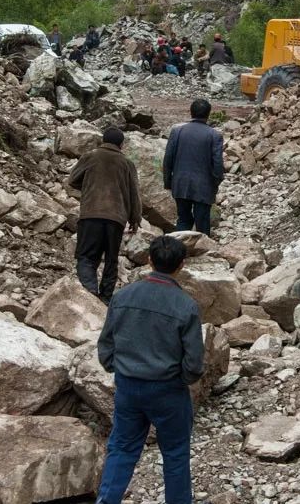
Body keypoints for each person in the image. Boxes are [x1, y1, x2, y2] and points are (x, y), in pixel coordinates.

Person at [96, 235, 203, 504]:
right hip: (168, 389)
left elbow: (106, 343)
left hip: (128, 385)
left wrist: (117, 367)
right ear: (181, 264)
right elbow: (194, 361)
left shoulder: (123, 296)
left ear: (149, 260)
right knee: (175, 453)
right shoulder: (186, 305)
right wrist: (181, 379)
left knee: (122, 448)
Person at [68, 128, 142, 303]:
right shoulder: (127, 163)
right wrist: (135, 218)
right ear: (121, 144)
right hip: (116, 218)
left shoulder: (90, 156)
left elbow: (72, 180)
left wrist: (88, 187)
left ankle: (90, 289)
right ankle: (106, 298)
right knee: (111, 259)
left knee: (86, 256)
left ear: (103, 140)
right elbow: (134, 193)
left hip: (90, 214)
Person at [163, 99, 223, 236]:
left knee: (183, 219)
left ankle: (179, 246)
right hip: (204, 187)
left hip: (180, 184)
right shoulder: (214, 135)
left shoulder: (177, 132)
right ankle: (203, 248)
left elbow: (168, 159)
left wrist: (168, 182)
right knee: (202, 224)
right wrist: (216, 182)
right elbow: (218, 163)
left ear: (191, 113)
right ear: (208, 114)